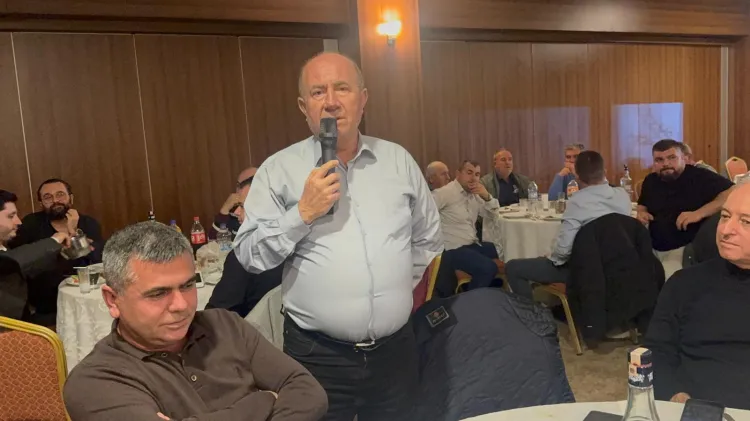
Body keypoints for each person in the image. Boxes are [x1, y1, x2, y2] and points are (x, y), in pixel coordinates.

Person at [233, 52, 443, 421]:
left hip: (395, 352)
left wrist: (390, 290)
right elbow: (249, 254)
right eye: (318, 92)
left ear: (363, 99)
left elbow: (427, 238)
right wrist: (301, 214)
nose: (331, 101)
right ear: (304, 107)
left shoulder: (398, 161)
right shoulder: (279, 169)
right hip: (316, 355)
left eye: (342, 88)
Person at [63, 222, 328, 421]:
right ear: (113, 300)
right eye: (158, 293)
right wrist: (262, 401)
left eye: (188, 285)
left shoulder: (226, 325)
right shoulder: (94, 381)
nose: (181, 305)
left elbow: (309, 394)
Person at [645, 183, 750, 410]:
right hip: (692, 409)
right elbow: (656, 351)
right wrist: (673, 393)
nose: (726, 230)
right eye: (725, 216)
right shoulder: (684, 283)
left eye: (746, 222)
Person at [505, 151, 632, 299]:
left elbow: (563, 251)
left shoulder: (577, 203)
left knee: (513, 268)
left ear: (577, 177)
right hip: (621, 266)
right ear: (604, 171)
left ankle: (531, 312)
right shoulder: (623, 196)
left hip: (584, 271)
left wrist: (552, 257)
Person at [9, 178, 102, 325]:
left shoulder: (88, 223)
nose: (55, 201)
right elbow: (19, 261)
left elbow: (95, 259)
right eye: (48, 197)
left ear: (71, 198)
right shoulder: (30, 224)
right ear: (41, 203)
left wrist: (74, 232)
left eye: (60, 195)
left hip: (86, 298)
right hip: (45, 307)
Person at [636, 139, 733, 279]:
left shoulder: (699, 176)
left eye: (672, 158)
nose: (666, 163)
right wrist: (642, 212)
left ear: (684, 158)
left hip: (685, 250)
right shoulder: (651, 180)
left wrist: (699, 213)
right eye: (659, 160)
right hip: (652, 248)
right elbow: (642, 204)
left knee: (667, 282)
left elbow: (732, 192)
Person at [0, 190, 70, 319]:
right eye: (11, 216)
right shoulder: (7, 258)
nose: (18, 222)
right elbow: (10, 261)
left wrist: (61, 252)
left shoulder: (4, 246)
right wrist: (54, 241)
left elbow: (24, 269)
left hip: (24, 316)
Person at [432, 160, 501, 289]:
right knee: (488, 268)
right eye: (469, 173)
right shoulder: (444, 193)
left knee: (502, 251)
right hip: (452, 249)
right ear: (458, 174)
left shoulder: (475, 194)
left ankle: (491, 293)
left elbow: (493, 216)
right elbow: (423, 214)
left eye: (477, 174)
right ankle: (470, 299)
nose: (473, 178)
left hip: (472, 244)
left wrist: (487, 197)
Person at [206, 251, 283, 317]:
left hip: (247, 326)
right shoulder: (288, 254)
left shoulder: (244, 255)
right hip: (281, 323)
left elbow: (215, 315)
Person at [209, 167, 257, 240]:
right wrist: (224, 210)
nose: (238, 189)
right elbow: (214, 240)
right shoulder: (234, 211)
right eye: (238, 185)